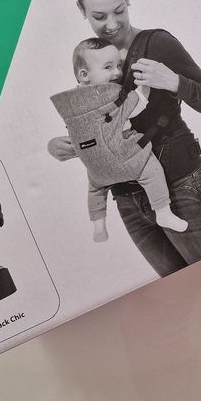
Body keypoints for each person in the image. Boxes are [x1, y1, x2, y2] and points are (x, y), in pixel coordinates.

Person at [47, 0, 201, 275]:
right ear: (81, 10)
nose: (112, 24)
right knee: (185, 293)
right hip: (128, 202)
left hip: (181, 186)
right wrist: (63, 145)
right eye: (99, 17)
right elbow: (103, 125)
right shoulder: (91, 61)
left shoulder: (157, 43)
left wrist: (173, 81)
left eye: (118, 11)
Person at [50, 37, 188, 245]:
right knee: (152, 171)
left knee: (95, 189)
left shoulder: (72, 107)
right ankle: (163, 212)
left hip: (97, 168)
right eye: (108, 67)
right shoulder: (111, 99)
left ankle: (98, 224)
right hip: (126, 158)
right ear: (84, 75)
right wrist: (144, 85)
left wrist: (55, 144)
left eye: (118, 65)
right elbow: (138, 103)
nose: (117, 73)